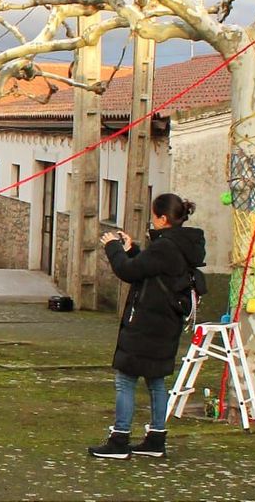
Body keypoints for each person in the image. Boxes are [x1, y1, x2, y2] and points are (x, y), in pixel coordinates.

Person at [88, 193, 206, 460]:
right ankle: (156, 438)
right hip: (165, 324)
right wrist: (133, 250)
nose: (152, 221)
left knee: (125, 380)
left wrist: (113, 248)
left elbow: (129, 272)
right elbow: (150, 269)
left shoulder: (165, 247)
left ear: (163, 219)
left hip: (147, 324)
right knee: (155, 381)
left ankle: (119, 439)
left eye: (154, 216)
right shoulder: (181, 245)